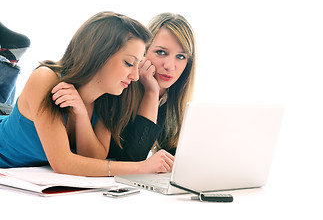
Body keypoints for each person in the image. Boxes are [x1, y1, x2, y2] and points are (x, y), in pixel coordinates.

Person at [0, 11, 175, 176]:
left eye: (138, 65)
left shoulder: (110, 97)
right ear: (99, 55)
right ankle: (7, 56)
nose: (136, 76)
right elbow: (63, 164)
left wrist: (82, 115)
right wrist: (140, 168)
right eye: (129, 63)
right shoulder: (45, 79)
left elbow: (93, 159)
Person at [108, 13, 196, 161]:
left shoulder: (173, 101)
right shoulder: (120, 88)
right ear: (143, 51)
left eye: (181, 56)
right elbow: (132, 159)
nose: (169, 66)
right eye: (161, 52)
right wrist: (151, 92)